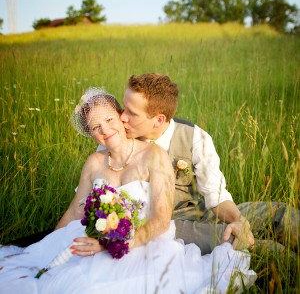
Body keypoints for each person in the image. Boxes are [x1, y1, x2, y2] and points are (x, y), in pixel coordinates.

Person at [0, 88, 257, 293]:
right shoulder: (95, 162)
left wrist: (114, 244)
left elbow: (160, 218)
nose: (105, 130)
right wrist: (49, 248)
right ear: (90, 133)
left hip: (141, 244)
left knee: (91, 288)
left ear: (122, 117)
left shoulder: (154, 156)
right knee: (44, 280)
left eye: (110, 119)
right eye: (95, 127)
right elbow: (74, 213)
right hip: (93, 241)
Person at [105, 73, 299, 255]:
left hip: (203, 211)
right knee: (245, 242)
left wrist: (238, 220)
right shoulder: (117, 140)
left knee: (281, 214)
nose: (122, 117)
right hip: (173, 226)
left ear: (159, 120)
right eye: (124, 107)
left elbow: (216, 196)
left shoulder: (195, 137)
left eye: (132, 113)